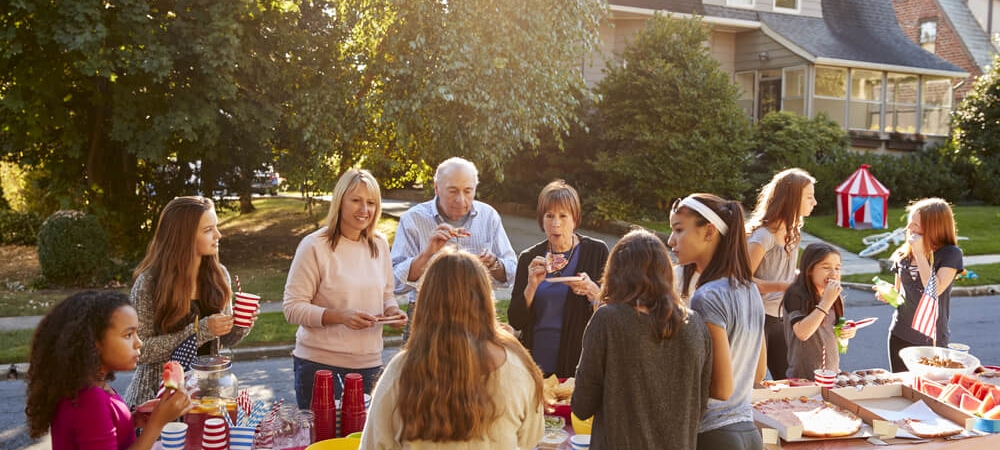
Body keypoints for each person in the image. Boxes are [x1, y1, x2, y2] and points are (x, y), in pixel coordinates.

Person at [360, 248, 544, 449]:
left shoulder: (401, 370)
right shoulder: (518, 366)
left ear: (426, 301)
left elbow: (373, 444)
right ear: (485, 300)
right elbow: (530, 440)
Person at [572, 230, 712, 450]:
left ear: (615, 272)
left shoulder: (608, 320)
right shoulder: (695, 324)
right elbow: (700, 407)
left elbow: (581, 405)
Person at [284, 169, 406, 409]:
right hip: (319, 366)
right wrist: (340, 317)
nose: (364, 210)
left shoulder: (379, 245)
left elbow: (386, 295)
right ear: (340, 201)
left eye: (371, 202)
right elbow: (292, 308)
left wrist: (392, 311)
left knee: (363, 444)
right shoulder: (314, 246)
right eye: (356, 200)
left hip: (369, 365)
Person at [124, 196, 254, 407]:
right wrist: (200, 330)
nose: (218, 235)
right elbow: (140, 351)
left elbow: (225, 341)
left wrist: (239, 324)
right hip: (155, 404)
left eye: (216, 227)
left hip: (205, 400)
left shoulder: (220, 275)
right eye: (208, 230)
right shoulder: (148, 283)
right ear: (183, 237)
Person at [26, 291, 192, 449]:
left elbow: (100, 432)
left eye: (137, 333)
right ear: (94, 343)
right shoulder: (89, 399)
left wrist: (133, 420)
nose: (139, 343)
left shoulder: (92, 387)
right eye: (128, 335)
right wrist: (157, 423)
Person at [668, 194, 766, 450]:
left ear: (709, 231)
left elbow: (721, 388)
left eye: (679, 230)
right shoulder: (750, 289)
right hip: (749, 433)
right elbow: (758, 372)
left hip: (714, 435)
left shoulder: (707, 295)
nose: (671, 241)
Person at [390, 157, 517, 341]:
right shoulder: (413, 220)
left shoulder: (488, 217)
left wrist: (494, 263)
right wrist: (427, 254)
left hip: (477, 313)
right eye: (452, 191)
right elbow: (394, 282)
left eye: (468, 191)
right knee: (423, 370)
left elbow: (512, 272)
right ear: (436, 187)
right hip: (427, 314)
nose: (461, 200)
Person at [508, 180, 609, 377]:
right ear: (541, 220)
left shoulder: (596, 251)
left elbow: (612, 311)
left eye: (563, 216)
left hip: (578, 361)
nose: (555, 224)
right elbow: (516, 320)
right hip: (534, 361)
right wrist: (531, 286)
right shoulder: (530, 258)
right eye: (549, 216)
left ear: (575, 219)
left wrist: (592, 290)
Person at [746, 168, 817, 380]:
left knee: (789, 380)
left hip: (781, 317)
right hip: (757, 318)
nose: (815, 203)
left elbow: (781, 273)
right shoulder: (763, 237)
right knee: (754, 382)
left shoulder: (793, 233)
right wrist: (785, 286)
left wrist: (803, 278)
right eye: (809, 197)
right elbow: (741, 280)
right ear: (792, 199)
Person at [877, 198, 962, 372]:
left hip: (931, 338)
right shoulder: (903, 254)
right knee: (902, 389)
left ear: (934, 227)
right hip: (899, 333)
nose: (909, 229)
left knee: (928, 392)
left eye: (915, 225)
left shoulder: (950, 254)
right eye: (910, 223)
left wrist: (920, 253)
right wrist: (888, 294)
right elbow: (900, 295)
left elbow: (935, 288)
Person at [782, 243, 857, 379]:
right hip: (803, 378)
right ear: (810, 269)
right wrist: (826, 302)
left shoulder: (832, 295)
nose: (833, 273)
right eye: (826, 267)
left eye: (837, 268)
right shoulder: (795, 295)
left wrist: (845, 331)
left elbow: (829, 331)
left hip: (830, 373)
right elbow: (802, 333)